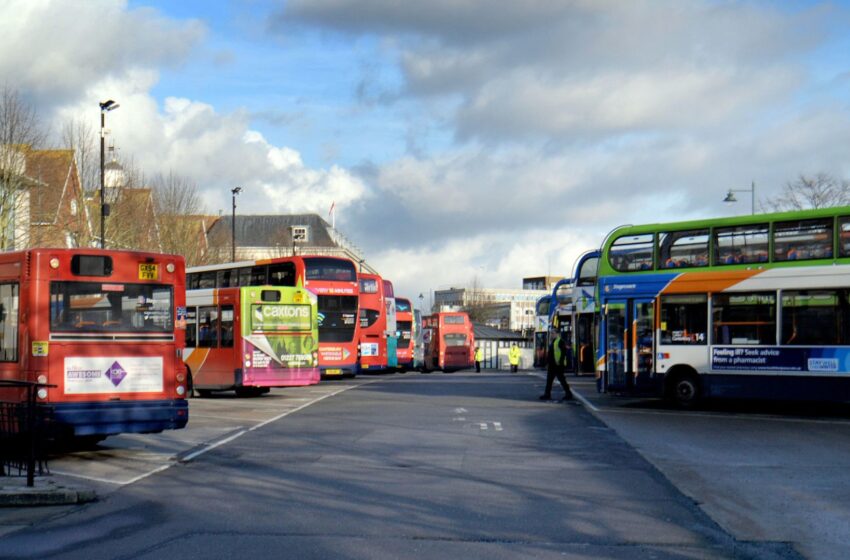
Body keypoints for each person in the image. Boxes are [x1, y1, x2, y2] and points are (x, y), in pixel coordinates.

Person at [540, 329, 573, 401]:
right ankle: (547, 394)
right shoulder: (553, 342)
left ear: (557, 334)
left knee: (562, 380)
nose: (551, 334)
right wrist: (547, 362)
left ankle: (568, 394)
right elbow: (551, 353)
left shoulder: (560, 341)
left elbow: (563, 353)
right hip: (552, 364)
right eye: (551, 333)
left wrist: (560, 362)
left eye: (552, 333)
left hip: (558, 365)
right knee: (549, 380)